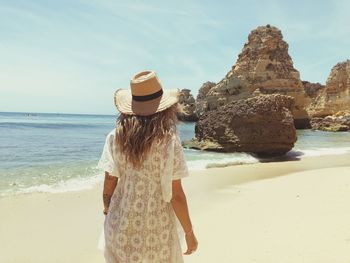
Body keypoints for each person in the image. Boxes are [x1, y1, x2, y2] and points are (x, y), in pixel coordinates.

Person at [97, 70, 198, 263]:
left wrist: (106, 209)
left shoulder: (114, 137)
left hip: (120, 226)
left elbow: (110, 180)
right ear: (164, 108)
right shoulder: (169, 142)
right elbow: (176, 195)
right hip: (156, 233)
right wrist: (189, 232)